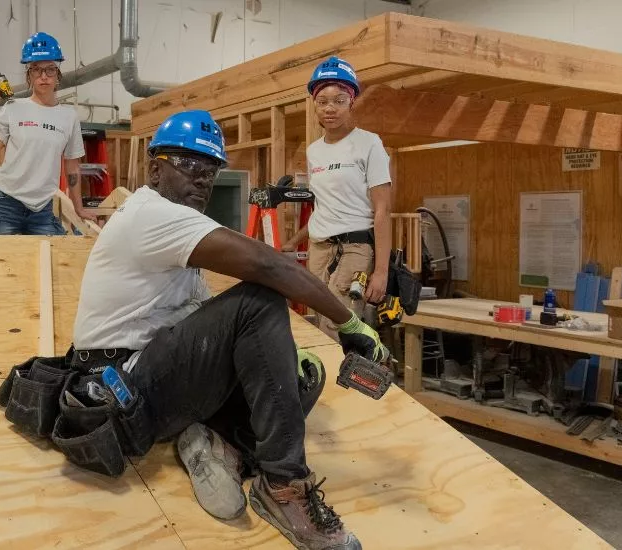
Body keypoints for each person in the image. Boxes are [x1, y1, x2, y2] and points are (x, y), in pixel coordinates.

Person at [72, 109, 389, 550]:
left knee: (301, 379)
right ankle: (281, 487)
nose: (200, 178)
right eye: (187, 165)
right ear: (154, 168)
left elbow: (196, 308)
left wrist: (280, 355)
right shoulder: (153, 213)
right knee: (260, 298)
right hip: (125, 387)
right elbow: (267, 264)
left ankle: (217, 446)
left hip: (159, 372)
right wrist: (348, 321)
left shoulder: (173, 225)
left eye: (209, 169)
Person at [282, 56, 393, 340]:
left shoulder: (369, 143)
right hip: (319, 249)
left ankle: (342, 381)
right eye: (323, 101)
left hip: (355, 247)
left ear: (352, 102)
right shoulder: (314, 151)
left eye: (339, 100)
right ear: (315, 105)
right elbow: (323, 206)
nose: (330, 108)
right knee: (318, 322)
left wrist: (381, 272)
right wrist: (294, 241)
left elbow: (382, 211)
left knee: (338, 326)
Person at [0, 31, 96, 235]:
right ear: (29, 75)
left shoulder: (69, 117)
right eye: (36, 70)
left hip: (42, 209)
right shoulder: (13, 108)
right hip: (4, 204)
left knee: (51, 262)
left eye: (50, 69)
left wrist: (79, 208)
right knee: (3, 264)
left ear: (58, 74)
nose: (43, 76)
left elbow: (72, 167)